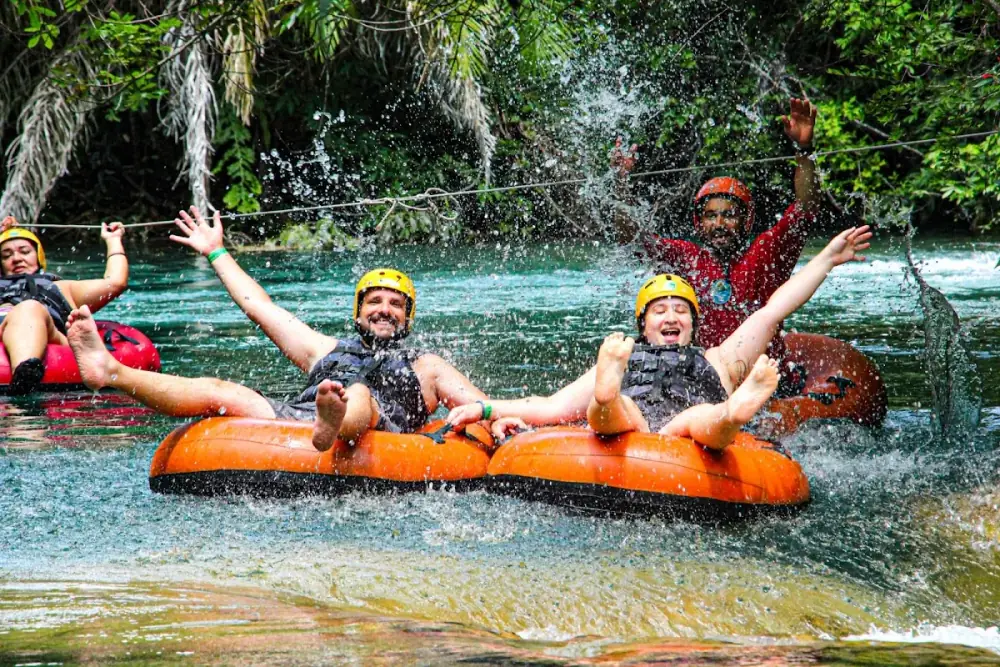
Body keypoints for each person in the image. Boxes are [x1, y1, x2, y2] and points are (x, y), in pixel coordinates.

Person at [65, 206, 486, 451]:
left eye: (396, 305)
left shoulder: (428, 366)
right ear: (358, 315)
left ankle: (333, 421)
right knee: (223, 391)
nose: (384, 310)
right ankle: (110, 371)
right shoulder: (324, 348)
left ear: (407, 319)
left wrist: (498, 422)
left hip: (375, 425)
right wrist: (216, 253)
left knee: (356, 394)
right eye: (374, 302)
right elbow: (259, 307)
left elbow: (480, 406)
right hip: (298, 418)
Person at [447, 226, 871, 450]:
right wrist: (482, 406)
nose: (672, 316)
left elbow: (774, 308)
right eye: (660, 311)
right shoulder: (622, 356)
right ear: (643, 327)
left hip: (685, 430)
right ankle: (609, 397)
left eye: (681, 310)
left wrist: (827, 259)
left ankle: (735, 412)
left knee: (701, 420)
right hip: (632, 422)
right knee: (615, 407)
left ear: (694, 324)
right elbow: (549, 407)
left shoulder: (721, 359)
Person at [612, 98, 821, 394]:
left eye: (728, 215)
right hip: (705, 380)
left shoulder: (765, 252)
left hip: (762, 383)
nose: (719, 223)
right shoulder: (686, 257)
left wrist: (804, 151)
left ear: (746, 222)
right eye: (710, 215)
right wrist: (621, 182)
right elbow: (632, 238)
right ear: (699, 224)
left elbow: (805, 208)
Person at [0, 216, 128, 393]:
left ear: (38, 256)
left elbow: (115, 282)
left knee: (29, 308)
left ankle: (23, 377)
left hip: (48, 332)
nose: (16, 258)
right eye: (6, 255)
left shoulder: (62, 287)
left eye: (24, 251)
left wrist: (113, 241)